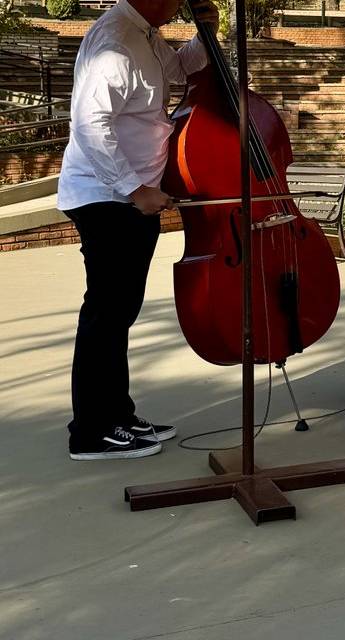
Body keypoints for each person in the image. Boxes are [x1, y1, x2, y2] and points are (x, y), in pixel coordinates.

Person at [58, 0, 218, 460]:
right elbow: (89, 125)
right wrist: (134, 190)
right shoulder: (116, 43)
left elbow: (177, 71)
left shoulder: (145, 33)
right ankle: (90, 431)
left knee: (119, 312)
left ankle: (117, 415)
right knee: (106, 314)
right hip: (108, 197)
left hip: (128, 196)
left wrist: (203, 34)